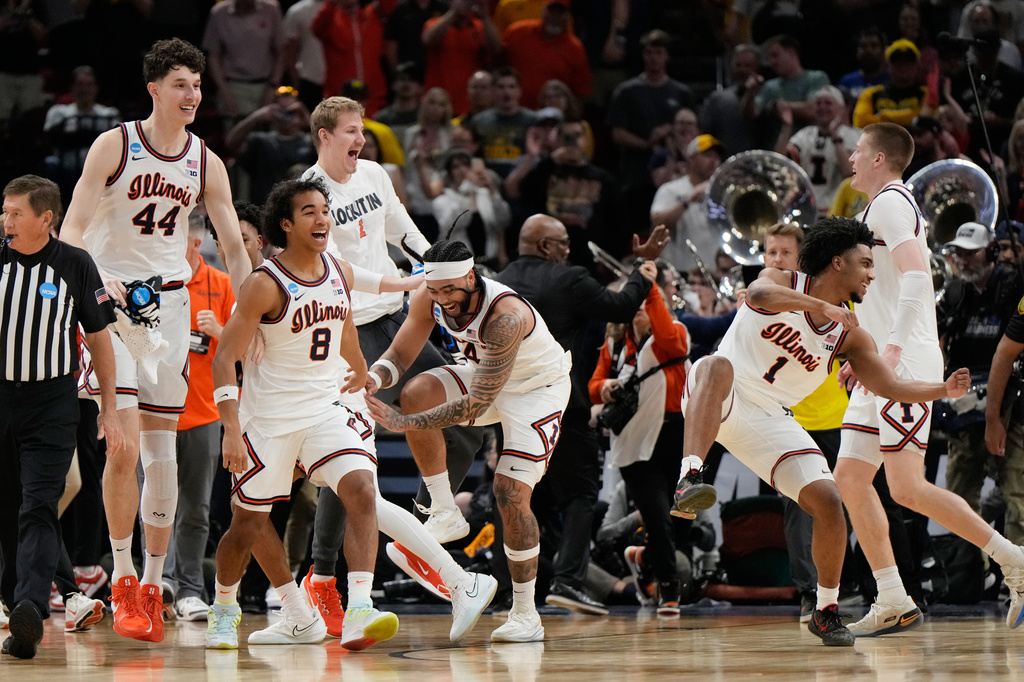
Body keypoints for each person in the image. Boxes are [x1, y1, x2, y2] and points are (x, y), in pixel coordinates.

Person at [669, 216, 972, 646]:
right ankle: (690, 478)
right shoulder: (782, 277)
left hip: (772, 416)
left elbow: (889, 386)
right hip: (724, 392)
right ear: (837, 263)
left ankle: (825, 609)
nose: (871, 273)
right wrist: (819, 307)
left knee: (830, 503)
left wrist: (943, 389)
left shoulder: (852, 335)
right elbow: (757, 293)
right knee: (713, 364)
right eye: (866, 263)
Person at [57, 38, 251, 644]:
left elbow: (237, 248)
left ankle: (153, 581)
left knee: (161, 453)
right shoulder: (113, 145)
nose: (192, 94)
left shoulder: (205, 161)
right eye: (180, 85)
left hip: (170, 308)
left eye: (197, 85)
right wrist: (99, 278)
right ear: (154, 89)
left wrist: (254, 318)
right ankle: (118, 580)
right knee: (121, 446)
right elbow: (70, 230)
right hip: (113, 308)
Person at [832, 122, 1024, 636]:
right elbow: (887, 291)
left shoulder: (892, 201)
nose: (850, 157)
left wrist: (890, 352)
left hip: (905, 363)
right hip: (883, 360)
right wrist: (866, 353)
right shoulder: (879, 207)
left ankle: (1013, 560)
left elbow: (919, 275)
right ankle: (892, 595)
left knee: (909, 488)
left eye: (858, 150)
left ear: (879, 159)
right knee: (850, 478)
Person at [299, 96, 484, 624]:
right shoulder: (310, 195)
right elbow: (329, 272)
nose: (362, 140)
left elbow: (405, 232)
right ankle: (322, 575)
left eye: (363, 132)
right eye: (352, 132)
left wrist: (440, 269)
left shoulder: (376, 175)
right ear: (325, 137)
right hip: (347, 332)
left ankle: (431, 513)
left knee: (465, 417)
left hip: (394, 318)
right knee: (349, 456)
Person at [206, 177, 397, 651]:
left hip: (322, 408)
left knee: (361, 488)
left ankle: (358, 610)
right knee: (247, 522)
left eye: (324, 210)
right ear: (286, 225)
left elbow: (345, 326)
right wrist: (230, 428)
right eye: (309, 211)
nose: (323, 219)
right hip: (267, 418)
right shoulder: (263, 284)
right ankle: (228, 610)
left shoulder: (336, 268)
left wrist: (360, 373)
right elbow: (223, 356)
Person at [365, 238, 573, 643]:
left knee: (510, 491)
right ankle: (445, 510)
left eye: (450, 291)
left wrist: (402, 421)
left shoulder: (505, 317)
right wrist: (374, 378)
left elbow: (476, 405)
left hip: (535, 389)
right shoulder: (431, 295)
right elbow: (401, 353)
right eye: (436, 291)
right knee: (417, 389)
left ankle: (526, 613)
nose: (443, 299)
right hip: (485, 375)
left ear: (471, 276)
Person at [498, 215, 659, 615]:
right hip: (559, 409)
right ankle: (568, 582)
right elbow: (622, 307)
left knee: (516, 498)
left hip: (508, 410)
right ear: (545, 247)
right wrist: (644, 269)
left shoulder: (496, 284)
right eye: (564, 243)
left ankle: (507, 593)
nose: (569, 250)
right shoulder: (567, 279)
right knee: (580, 495)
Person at [0, 175, 124, 659]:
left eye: (14, 213)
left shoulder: (74, 263)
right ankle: (19, 612)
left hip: (53, 402)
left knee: (38, 505)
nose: (5, 220)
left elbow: (99, 339)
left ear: (45, 218)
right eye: (4, 212)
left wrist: (110, 409)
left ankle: (31, 605)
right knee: (8, 508)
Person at [763, 222, 855, 621]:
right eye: (770, 253)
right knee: (799, 513)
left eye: (784, 253)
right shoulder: (764, 296)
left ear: (801, 259)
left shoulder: (838, 301)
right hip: (789, 419)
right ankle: (808, 594)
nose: (776, 260)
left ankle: (848, 588)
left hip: (837, 418)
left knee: (846, 507)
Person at [589, 261, 689, 616]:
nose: (639, 311)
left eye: (644, 303)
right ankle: (668, 590)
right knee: (659, 519)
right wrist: (608, 389)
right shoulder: (614, 345)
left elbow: (669, 339)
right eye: (633, 303)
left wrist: (648, 285)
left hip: (676, 436)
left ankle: (644, 558)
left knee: (682, 519)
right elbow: (593, 387)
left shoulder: (673, 333)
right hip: (634, 443)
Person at [164, 213, 237, 622]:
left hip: (205, 413)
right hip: (155, 412)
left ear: (194, 245)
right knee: (153, 506)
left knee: (195, 509)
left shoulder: (222, 284)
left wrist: (221, 331)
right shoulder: (152, 282)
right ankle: (161, 583)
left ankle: (191, 589)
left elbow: (244, 352)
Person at [937, 222, 1024, 539]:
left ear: (990, 252)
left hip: (1009, 404)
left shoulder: (1013, 286)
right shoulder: (955, 292)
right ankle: (970, 581)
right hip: (962, 403)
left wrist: (994, 416)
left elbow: (1007, 353)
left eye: (971, 253)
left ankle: (1017, 584)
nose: (963, 260)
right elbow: (935, 339)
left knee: (1017, 498)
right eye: (958, 253)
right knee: (957, 499)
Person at [777, 86, 860, 218]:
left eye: (828, 103)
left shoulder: (852, 135)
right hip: (807, 211)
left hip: (837, 211)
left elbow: (849, 172)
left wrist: (834, 136)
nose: (822, 107)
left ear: (841, 109)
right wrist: (786, 127)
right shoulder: (805, 134)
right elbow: (781, 162)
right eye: (818, 103)